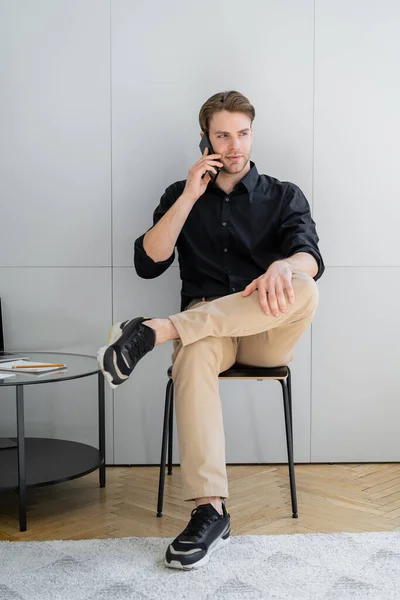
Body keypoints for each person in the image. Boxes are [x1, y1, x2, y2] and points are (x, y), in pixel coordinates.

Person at [97, 90, 324, 570]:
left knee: (307, 287)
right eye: (223, 134)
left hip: (266, 325)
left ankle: (157, 331)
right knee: (194, 354)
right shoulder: (179, 196)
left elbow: (310, 256)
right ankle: (210, 511)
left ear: (252, 134)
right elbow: (148, 263)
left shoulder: (284, 194)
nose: (235, 145)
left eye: (243, 133)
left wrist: (285, 266)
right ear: (205, 139)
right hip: (208, 331)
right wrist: (189, 196)